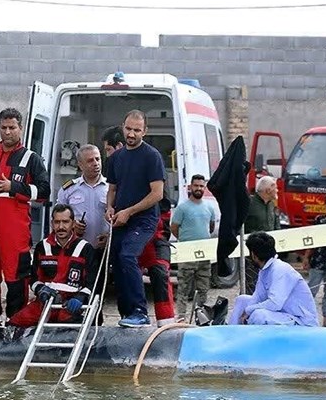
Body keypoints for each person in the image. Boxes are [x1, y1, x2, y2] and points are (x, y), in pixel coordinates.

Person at [0, 108, 50, 324]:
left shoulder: (30, 158)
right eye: (3, 128)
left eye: (12, 127)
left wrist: (12, 186)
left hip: (15, 231)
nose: (7, 132)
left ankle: (16, 321)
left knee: (17, 276)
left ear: (21, 129)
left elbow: (44, 192)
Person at [102, 125, 175, 327]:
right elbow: (112, 190)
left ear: (144, 131)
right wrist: (109, 208)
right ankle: (128, 315)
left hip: (150, 226)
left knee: (157, 272)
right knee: (119, 264)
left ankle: (156, 319)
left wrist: (129, 212)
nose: (131, 134)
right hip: (122, 223)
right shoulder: (116, 160)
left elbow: (158, 195)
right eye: (128, 129)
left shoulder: (152, 157)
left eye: (136, 129)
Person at [9, 203, 97, 327]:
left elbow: (92, 282)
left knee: (71, 330)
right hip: (46, 302)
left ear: (73, 223)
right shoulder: (42, 247)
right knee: (14, 324)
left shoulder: (85, 248)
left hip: (71, 304)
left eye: (65, 222)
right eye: (57, 222)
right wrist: (41, 290)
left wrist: (80, 297)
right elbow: (34, 279)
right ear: (52, 223)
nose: (61, 227)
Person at [228, 232, 318, 326]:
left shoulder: (279, 269)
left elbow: (275, 304)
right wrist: (247, 310)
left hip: (301, 321)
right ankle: (231, 334)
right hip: (284, 313)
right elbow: (258, 297)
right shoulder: (265, 269)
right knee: (242, 299)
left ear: (254, 255)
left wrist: (249, 310)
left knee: (258, 315)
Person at [171, 174, 217, 321]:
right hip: (187, 253)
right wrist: (185, 241)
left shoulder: (209, 207)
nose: (198, 188)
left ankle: (201, 316)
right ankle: (181, 317)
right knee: (184, 287)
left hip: (204, 253)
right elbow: (174, 228)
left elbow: (210, 227)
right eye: (196, 185)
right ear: (190, 187)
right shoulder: (182, 208)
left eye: (201, 186)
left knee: (203, 287)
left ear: (205, 188)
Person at [57, 144, 109, 251]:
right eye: (90, 161)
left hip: (104, 249)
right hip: (76, 248)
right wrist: (72, 226)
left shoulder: (111, 188)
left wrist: (110, 236)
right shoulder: (69, 189)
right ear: (80, 165)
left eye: (97, 159)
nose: (96, 163)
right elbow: (57, 219)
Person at [303, 193, 326, 327]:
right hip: (317, 261)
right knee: (311, 290)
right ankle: (306, 317)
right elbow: (311, 241)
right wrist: (306, 257)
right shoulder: (319, 220)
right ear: (325, 206)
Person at [244, 175, 281, 294]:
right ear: (268, 190)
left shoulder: (271, 205)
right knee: (252, 285)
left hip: (269, 254)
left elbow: (276, 225)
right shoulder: (248, 203)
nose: (277, 190)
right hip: (252, 255)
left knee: (269, 283)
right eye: (275, 188)